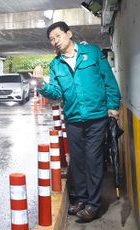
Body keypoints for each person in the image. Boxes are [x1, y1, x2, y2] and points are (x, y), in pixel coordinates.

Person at [32, 21, 121, 222]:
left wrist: (113, 105)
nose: (55, 41)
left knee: (93, 160)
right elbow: (56, 93)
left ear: (69, 34)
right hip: (72, 119)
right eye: (51, 39)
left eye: (58, 36)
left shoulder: (92, 52)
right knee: (78, 162)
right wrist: (41, 85)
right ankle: (81, 199)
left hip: (97, 117)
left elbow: (109, 80)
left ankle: (93, 204)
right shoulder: (56, 64)